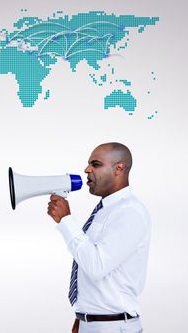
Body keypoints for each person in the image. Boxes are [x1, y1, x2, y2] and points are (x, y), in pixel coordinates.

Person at [47, 142, 150, 333]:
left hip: (113, 327)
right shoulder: (105, 210)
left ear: (119, 168)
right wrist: (84, 316)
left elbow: (97, 266)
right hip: (96, 324)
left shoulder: (130, 212)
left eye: (95, 164)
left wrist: (66, 221)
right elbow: (91, 265)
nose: (87, 170)